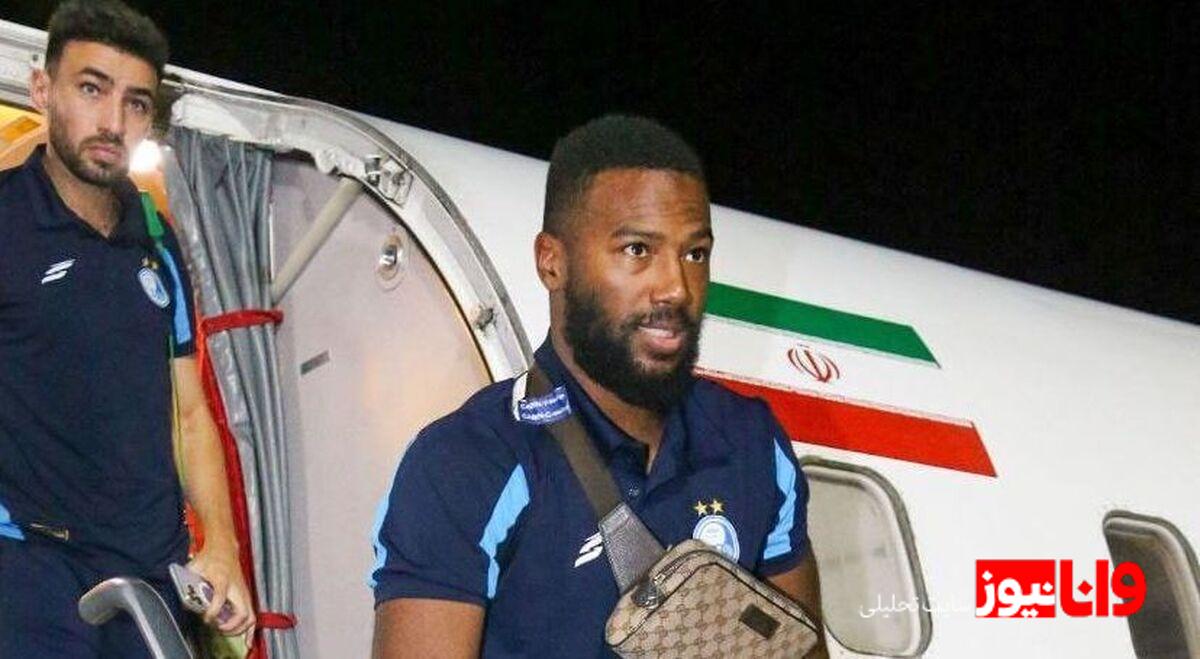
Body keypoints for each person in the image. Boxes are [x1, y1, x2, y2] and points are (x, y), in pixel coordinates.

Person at [370, 115, 827, 657]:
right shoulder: (468, 461)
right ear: (552, 262)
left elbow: (800, 649)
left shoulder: (751, 442)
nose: (676, 288)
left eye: (694, 253)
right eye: (637, 250)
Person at [0, 1, 255, 655]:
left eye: (136, 103)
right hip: (32, 569)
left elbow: (189, 413)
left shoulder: (156, 236)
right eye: (92, 89)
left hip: (153, 577)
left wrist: (221, 546)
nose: (114, 122)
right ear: (42, 90)